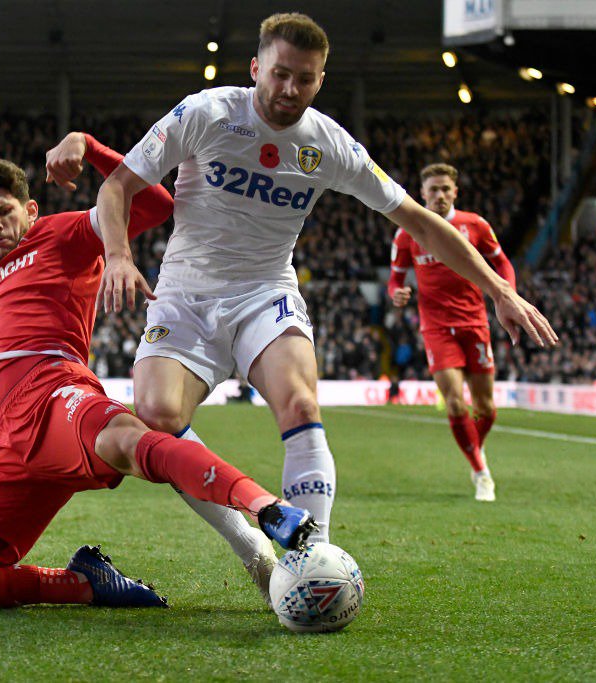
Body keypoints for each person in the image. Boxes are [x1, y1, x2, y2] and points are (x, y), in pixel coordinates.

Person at [93, 12, 558, 602]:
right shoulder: (205, 113)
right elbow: (117, 187)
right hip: (184, 295)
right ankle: (256, 552)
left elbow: (419, 220)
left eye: (305, 80)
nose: (290, 90)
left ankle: (314, 566)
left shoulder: (328, 143)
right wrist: (116, 255)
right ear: (256, 68)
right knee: (156, 416)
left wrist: (501, 290)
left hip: (266, 292)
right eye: (280, 74)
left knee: (300, 401)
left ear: (320, 81)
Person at [0, 132, 317, 610]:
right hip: (7, 443)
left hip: (53, 397)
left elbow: (154, 204)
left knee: (129, 440)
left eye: (4, 211)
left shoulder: (60, 233)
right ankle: (83, 584)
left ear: (29, 212)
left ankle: (265, 511)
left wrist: (88, 148)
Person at [388, 163, 517, 501]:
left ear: (455, 191)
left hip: (475, 322)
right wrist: (396, 294)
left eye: (446, 189)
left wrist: (509, 294)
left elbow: (502, 262)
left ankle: (475, 448)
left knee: (486, 408)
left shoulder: (475, 225)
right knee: (457, 404)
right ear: (423, 193)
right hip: (436, 327)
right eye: (434, 190)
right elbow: (395, 279)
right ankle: (481, 471)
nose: (440, 195)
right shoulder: (407, 232)